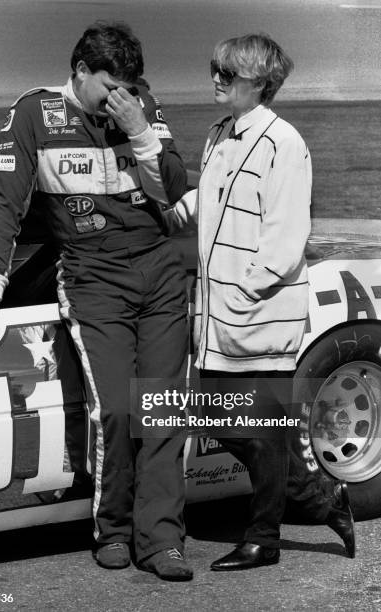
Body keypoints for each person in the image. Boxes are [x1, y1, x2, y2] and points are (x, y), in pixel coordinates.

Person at [0, 22, 192, 581]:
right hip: (92, 276)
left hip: (159, 270)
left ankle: (161, 540)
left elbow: (178, 190)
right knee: (114, 409)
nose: (120, 98)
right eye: (109, 86)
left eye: (129, 87)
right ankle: (112, 528)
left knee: (161, 411)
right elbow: (6, 205)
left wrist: (141, 131)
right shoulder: (34, 113)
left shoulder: (140, 106)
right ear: (80, 71)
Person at [172, 33, 355, 570]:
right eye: (215, 71)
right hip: (217, 315)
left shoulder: (283, 143)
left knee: (255, 425)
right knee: (220, 416)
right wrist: (165, 215)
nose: (216, 81)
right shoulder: (218, 134)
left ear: (260, 83)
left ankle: (264, 539)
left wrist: (246, 286)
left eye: (227, 75)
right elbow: (207, 197)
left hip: (258, 311)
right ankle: (321, 498)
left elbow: (286, 231)